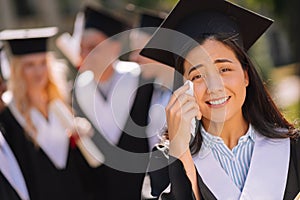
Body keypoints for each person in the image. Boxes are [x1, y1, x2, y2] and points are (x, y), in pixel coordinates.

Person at [140, 0, 300, 199]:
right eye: (197, 76)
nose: (214, 87)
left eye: (224, 69)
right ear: (184, 87)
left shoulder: (292, 149)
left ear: (246, 75)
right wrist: (181, 151)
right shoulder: (165, 162)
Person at [72, 5, 159, 199]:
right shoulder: (77, 92)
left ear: (115, 47)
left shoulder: (141, 80)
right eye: (82, 47)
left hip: (146, 189)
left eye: (93, 45)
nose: (86, 53)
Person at [0, 27, 93, 200]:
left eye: (43, 63)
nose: (38, 72)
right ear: (17, 70)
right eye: (30, 65)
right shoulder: (8, 114)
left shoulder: (58, 103)